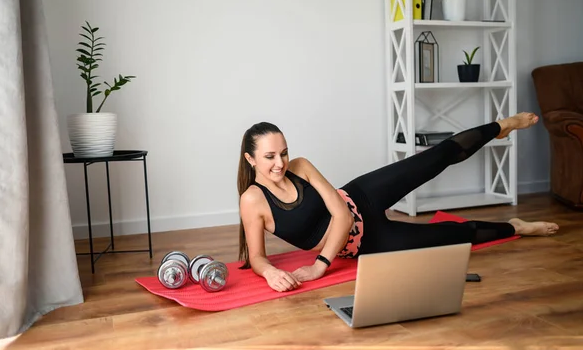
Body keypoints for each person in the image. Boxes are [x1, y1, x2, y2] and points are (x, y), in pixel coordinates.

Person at [237, 113, 559, 293]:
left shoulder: (301, 167)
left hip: (362, 196)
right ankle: (515, 226)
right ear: (251, 159)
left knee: (436, 158)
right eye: (269, 157)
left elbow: (342, 216)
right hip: (367, 244)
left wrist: (320, 266)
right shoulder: (252, 201)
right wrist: (269, 274)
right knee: (455, 236)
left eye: (283, 152)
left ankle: (501, 126)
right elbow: (258, 258)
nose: (280, 163)